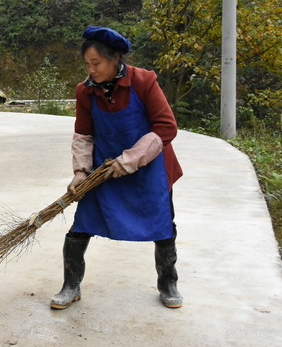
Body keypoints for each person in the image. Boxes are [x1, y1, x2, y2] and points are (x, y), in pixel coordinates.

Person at [50, 26, 184, 310]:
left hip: (150, 169)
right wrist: (80, 172)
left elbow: (166, 127)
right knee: (80, 226)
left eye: (96, 64)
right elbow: (84, 135)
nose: (91, 70)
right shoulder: (85, 91)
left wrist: (130, 160)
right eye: (87, 64)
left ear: (115, 59)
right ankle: (70, 285)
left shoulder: (144, 81)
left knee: (163, 226)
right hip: (103, 172)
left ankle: (168, 283)